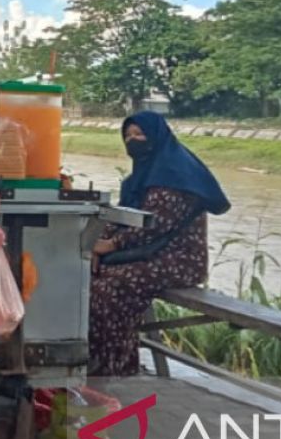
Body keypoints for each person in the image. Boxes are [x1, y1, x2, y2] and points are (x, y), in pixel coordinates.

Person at [88, 110, 230, 376]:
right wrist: (97, 243)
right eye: (128, 136)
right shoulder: (142, 176)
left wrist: (111, 245)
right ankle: (103, 361)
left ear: (156, 136)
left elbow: (154, 225)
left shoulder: (175, 175)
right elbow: (123, 215)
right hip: (148, 255)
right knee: (88, 278)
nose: (132, 140)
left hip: (178, 259)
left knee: (110, 288)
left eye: (139, 134)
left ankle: (117, 366)